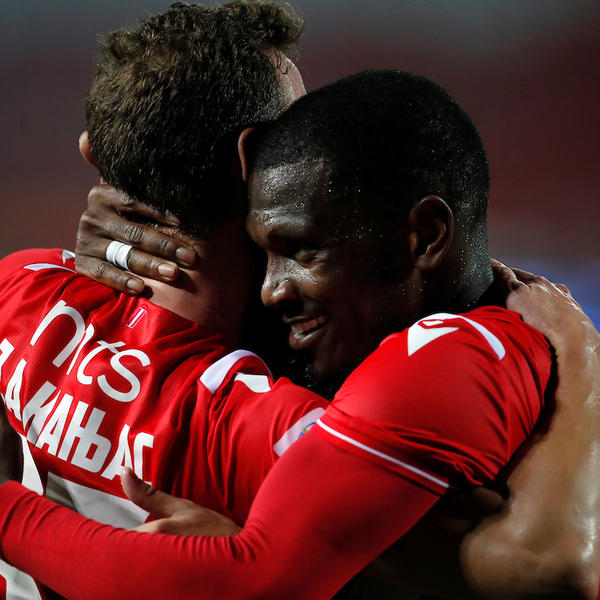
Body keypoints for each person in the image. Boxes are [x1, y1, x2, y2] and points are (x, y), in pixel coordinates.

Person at [1, 70, 599, 600]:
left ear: (424, 235)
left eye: (300, 249)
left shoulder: (23, 283)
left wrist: (584, 357)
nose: (273, 290)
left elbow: (554, 568)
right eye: (268, 250)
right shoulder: (300, 365)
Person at [0, 2, 331, 599]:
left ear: (93, 155)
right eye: (300, 136)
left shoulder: (17, 284)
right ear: (254, 162)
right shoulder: (275, 430)